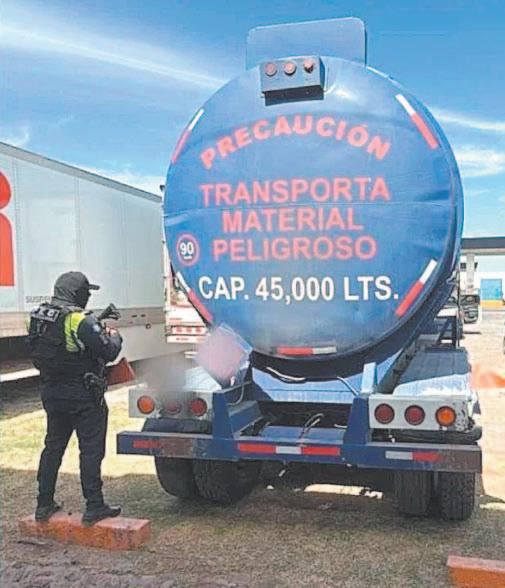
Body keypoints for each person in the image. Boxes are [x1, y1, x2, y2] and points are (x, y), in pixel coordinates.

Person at [28, 271, 123, 526]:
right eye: (86, 293)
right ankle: (94, 506)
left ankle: (43, 504)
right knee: (90, 450)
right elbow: (109, 351)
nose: (88, 297)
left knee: (53, 448)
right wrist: (114, 336)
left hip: (52, 392)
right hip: (83, 395)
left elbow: (51, 347)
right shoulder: (79, 320)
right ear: (77, 293)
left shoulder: (37, 316)